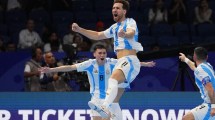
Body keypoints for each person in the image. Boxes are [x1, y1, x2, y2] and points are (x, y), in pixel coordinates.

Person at [39, 45, 155, 120]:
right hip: (95, 99)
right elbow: (70, 67)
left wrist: (145, 64)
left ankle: (106, 112)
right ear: (94, 54)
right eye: (100, 53)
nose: (102, 55)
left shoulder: (111, 62)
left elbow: (128, 62)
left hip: (108, 99)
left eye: (104, 53)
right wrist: (51, 70)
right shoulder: (89, 64)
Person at [71, 0, 144, 118]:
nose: (114, 10)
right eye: (113, 8)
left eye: (118, 8)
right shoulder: (114, 27)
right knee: (114, 102)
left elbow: (131, 32)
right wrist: (80, 30)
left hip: (129, 60)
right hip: (122, 62)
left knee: (112, 80)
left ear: (124, 11)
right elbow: (98, 35)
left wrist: (125, 34)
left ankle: (104, 106)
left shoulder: (130, 22)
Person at [179, 47, 215, 120]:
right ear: (207, 57)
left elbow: (210, 89)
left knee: (186, 118)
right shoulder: (207, 66)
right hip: (209, 102)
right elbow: (194, 68)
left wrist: (213, 107)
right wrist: (185, 59)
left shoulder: (201, 69)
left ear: (194, 57)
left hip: (210, 104)